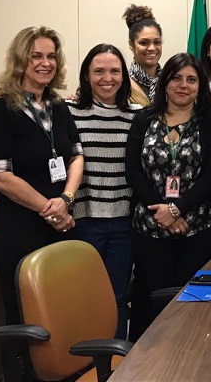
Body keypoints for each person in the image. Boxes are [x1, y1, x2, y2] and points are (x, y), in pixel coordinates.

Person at [0, 26, 83, 381]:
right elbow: (1, 177)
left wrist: (65, 200)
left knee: (60, 313)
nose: (45, 63)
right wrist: (50, 210)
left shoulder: (57, 107)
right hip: (19, 232)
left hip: (59, 225)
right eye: (36, 55)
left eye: (51, 56)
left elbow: (77, 157)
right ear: (20, 60)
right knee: (24, 319)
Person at [126, 53, 211, 341]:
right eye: (177, 78)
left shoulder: (210, 120)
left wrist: (177, 208)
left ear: (200, 85)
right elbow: (133, 169)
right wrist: (163, 213)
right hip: (149, 229)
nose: (184, 85)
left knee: (193, 305)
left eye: (191, 79)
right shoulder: (143, 118)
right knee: (151, 302)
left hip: (198, 229)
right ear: (165, 82)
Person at [67, 43, 138, 340]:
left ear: (124, 76)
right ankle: (81, 366)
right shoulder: (67, 112)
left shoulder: (137, 116)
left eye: (114, 71)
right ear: (86, 75)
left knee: (116, 297)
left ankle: (116, 366)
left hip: (123, 223)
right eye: (98, 71)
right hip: (83, 221)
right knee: (80, 299)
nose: (107, 78)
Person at [123, 4, 163, 107]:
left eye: (157, 42)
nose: (152, 48)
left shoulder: (170, 82)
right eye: (144, 43)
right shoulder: (121, 83)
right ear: (131, 44)